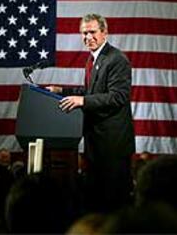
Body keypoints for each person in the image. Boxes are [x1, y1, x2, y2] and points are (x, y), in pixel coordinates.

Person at [46, 13, 135, 213]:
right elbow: (90, 92)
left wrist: (82, 101)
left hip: (112, 146)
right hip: (96, 143)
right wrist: (62, 91)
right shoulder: (93, 58)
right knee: (97, 201)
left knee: (113, 204)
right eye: (84, 33)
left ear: (105, 33)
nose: (88, 37)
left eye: (93, 32)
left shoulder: (117, 59)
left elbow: (117, 97)